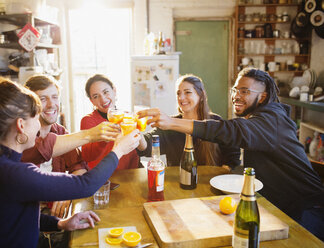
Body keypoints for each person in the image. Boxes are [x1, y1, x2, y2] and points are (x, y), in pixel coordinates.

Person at [138, 68, 324, 241]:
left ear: (262, 97)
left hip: (308, 208)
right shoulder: (260, 118)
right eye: (235, 90)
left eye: (244, 91)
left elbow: (230, 131)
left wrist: (171, 122)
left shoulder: (271, 119)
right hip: (276, 204)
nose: (236, 96)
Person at [0, 79, 140, 247]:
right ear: (21, 126)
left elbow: (21, 214)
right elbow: (85, 185)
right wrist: (118, 150)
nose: (39, 126)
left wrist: (61, 223)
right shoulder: (11, 172)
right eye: (35, 117)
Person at [137, 74, 240, 168]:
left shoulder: (215, 121)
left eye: (187, 92)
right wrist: (135, 132)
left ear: (201, 95)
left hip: (209, 183)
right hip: (178, 185)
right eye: (178, 93)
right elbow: (146, 147)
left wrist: (225, 169)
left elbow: (233, 153)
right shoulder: (170, 124)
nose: (181, 98)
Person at [80, 74, 140, 170]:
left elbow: (135, 154)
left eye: (106, 92)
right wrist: (104, 138)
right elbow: (87, 156)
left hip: (128, 176)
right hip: (102, 179)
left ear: (114, 91)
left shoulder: (128, 117)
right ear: (92, 101)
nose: (103, 99)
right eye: (96, 96)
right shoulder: (88, 120)